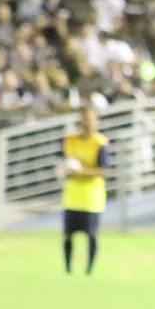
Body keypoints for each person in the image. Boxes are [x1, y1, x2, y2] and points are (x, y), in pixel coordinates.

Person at [59, 106, 111, 275]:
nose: (87, 123)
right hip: (72, 196)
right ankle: (68, 270)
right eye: (84, 119)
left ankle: (89, 270)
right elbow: (63, 163)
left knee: (92, 235)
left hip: (91, 197)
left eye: (90, 119)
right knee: (68, 234)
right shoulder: (70, 141)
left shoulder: (100, 143)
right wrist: (65, 170)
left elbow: (103, 170)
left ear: (96, 121)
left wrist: (82, 171)